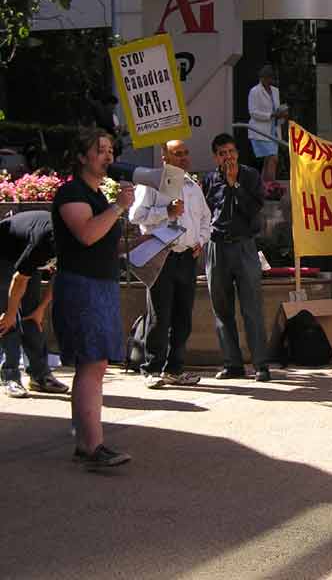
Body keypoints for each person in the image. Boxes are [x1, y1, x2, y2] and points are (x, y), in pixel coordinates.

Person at [52, 129, 133, 468]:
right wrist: (118, 206)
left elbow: (104, 243)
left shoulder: (98, 196)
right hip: (82, 286)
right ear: (82, 157)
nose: (108, 156)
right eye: (100, 150)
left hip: (100, 284)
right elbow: (86, 234)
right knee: (93, 362)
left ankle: (86, 443)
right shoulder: (71, 192)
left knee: (94, 363)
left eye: (111, 149)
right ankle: (93, 447)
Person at [129, 140, 211, 389]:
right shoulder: (152, 183)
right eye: (177, 154)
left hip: (187, 256)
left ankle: (175, 368)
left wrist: (200, 240)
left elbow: (206, 218)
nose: (184, 158)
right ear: (165, 157)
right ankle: (152, 368)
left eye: (186, 153)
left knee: (183, 316)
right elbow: (135, 216)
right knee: (159, 314)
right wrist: (167, 212)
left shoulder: (193, 186)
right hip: (161, 254)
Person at [202, 133, 271, 382]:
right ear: (216, 157)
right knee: (221, 308)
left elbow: (254, 208)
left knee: (252, 307)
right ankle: (232, 363)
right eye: (222, 153)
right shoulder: (209, 179)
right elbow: (206, 211)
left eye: (231, 152)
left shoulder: (250, 176)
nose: (227, 157)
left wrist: (234, 185)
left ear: (237, 153)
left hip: (244, 246)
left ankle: (261, 364)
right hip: (217, 245)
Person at [0, 211, 69, 397]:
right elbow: (19, 280)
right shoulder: (45, 241)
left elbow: (60, 277)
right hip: (4, 253)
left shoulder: (80, 241)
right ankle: (10, 377)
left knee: (32, 316)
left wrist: (40, 309)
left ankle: (40, 376)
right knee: (7, 319)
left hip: (26, 254)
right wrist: (11, 312)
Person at [248, 64, 289, 183]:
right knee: (273, 158)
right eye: (265, 78)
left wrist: (282, 114)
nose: (268, 80)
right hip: (259, 131)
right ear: (261, 78)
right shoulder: (254, 91)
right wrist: (271, 115)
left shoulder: (275, 91)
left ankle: (264, 187)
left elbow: (276, 109)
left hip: (274, 131)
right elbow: (253, 112)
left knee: (268, 160)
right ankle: (271, 186)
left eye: (270, 78)